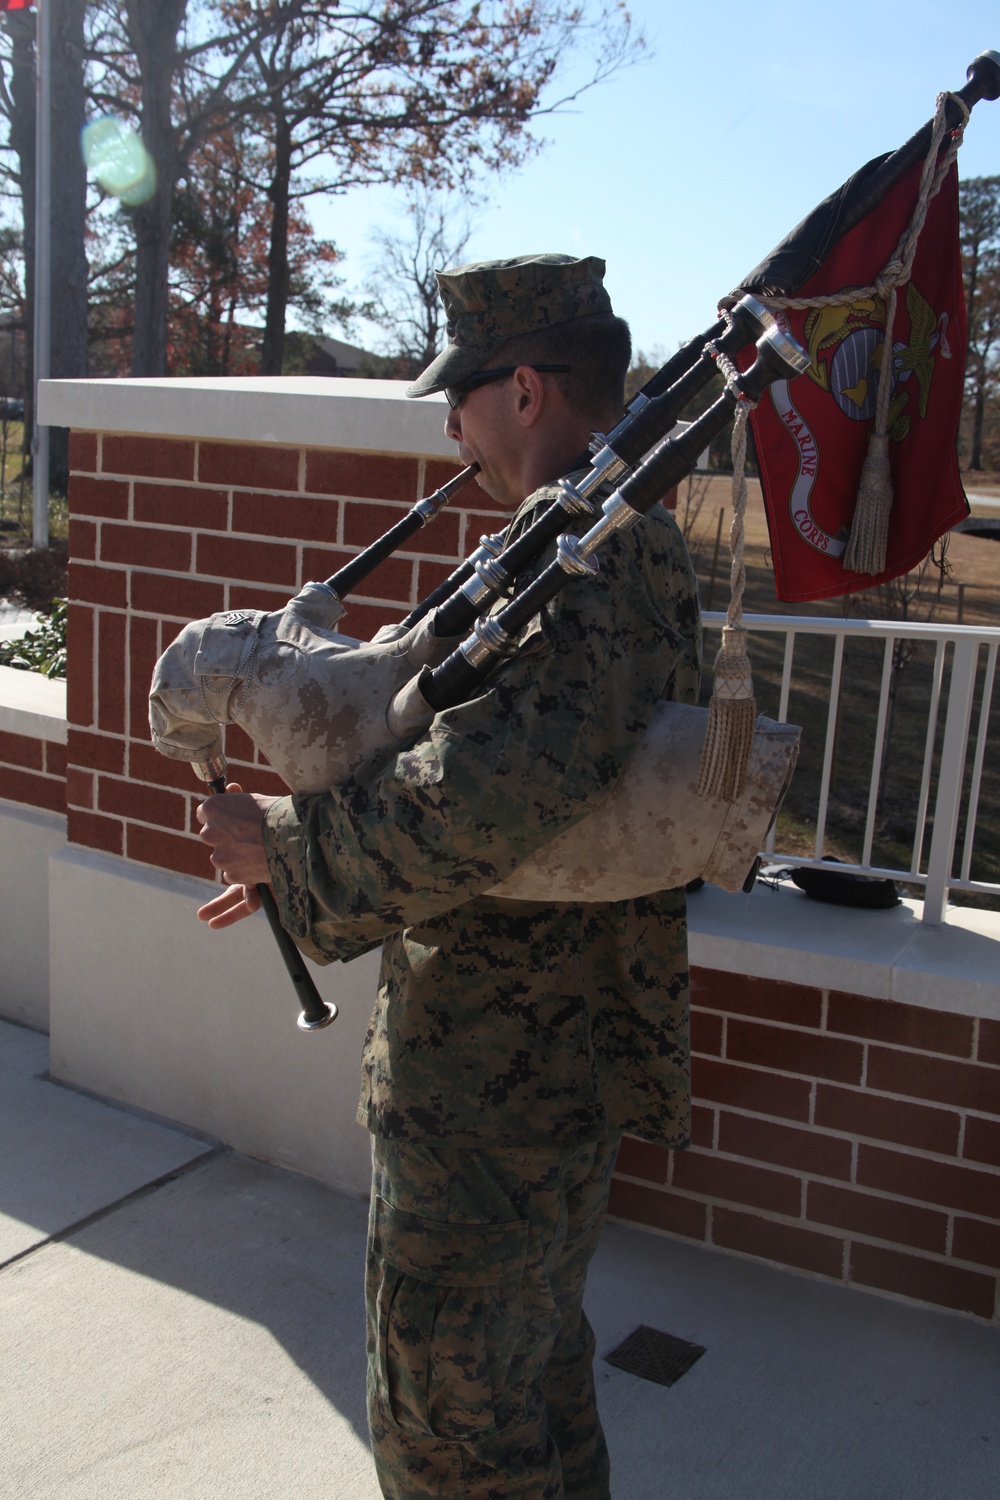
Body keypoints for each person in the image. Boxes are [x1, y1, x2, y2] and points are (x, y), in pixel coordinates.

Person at [196, 252, 701, 1500]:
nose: (449, 422)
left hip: (497, 1083)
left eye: (460, 393)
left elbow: (484, 798)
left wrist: (289, 848)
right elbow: (450, 746)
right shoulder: (602, 535)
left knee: (451, 1436)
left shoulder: (582, 551)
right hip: (539, 1063)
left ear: (524, 389)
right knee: (529, 1388)